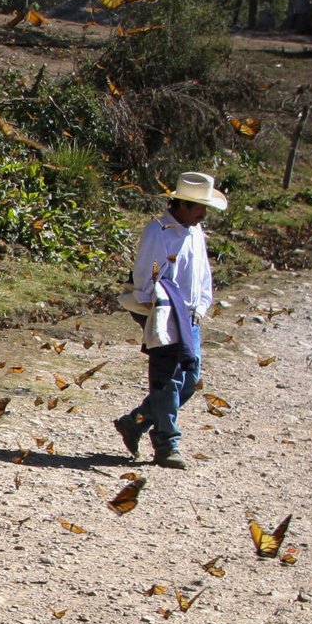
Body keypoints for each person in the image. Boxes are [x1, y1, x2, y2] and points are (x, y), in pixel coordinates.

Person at [113, 172, 225, 470]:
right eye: (200, 207)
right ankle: (167, 443)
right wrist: (156, 306)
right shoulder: (157, 232)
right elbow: (145, 277)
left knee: (188, 379)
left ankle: (134, 422)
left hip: (189, 316)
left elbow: (202, 276)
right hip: (163, 311)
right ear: (184, 204)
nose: (204, 214)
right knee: (167, 380)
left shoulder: (195, 232)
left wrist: (201, 306)